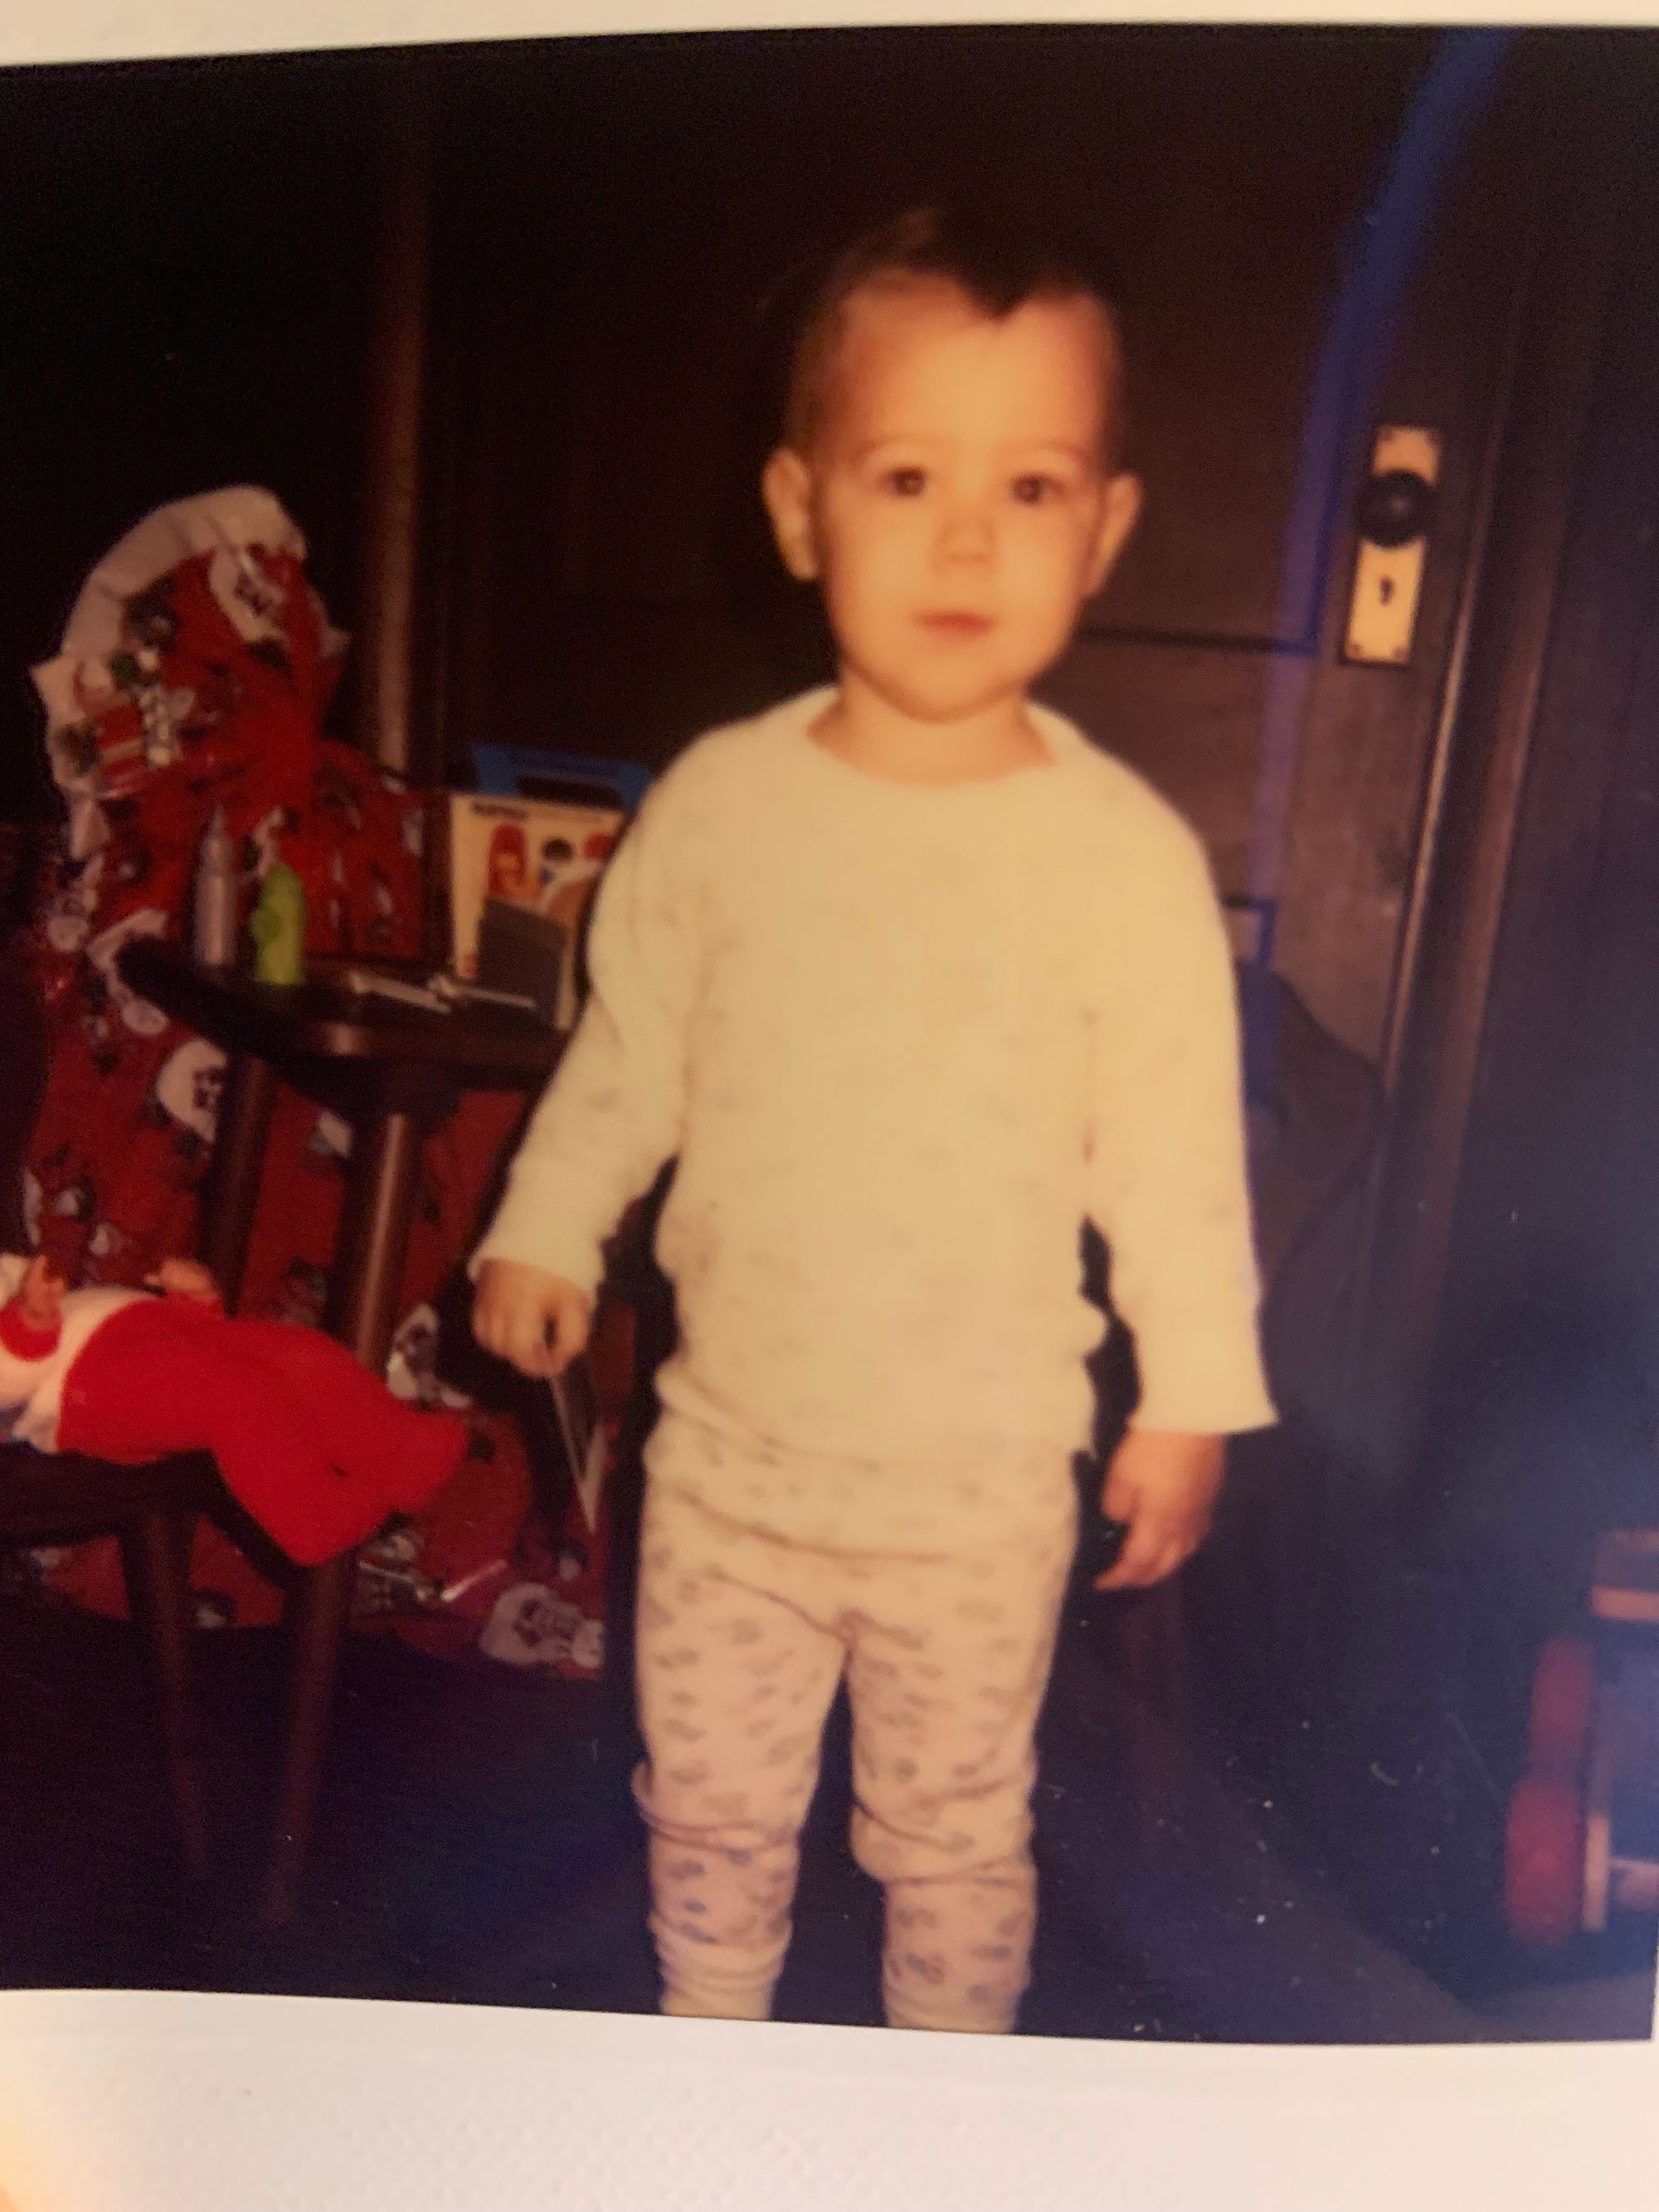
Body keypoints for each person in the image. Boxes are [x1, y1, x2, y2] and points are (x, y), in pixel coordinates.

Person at [470, 204, 1276, 2035]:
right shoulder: (726, 809)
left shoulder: (1120, 861)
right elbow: (633, 1044)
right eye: (907, 474)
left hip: (977, 1496)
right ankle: (714, 2077)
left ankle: (943, 2115)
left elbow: (1172, 1149)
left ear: (1110, 530)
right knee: (713, 1815)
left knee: (951, 1834)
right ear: (797, 508)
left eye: (1036, 485)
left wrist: (1192, 1395)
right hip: (735, 1471)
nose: (969, 537)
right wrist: (546, 1219)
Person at [0, 1251, 465, 1567]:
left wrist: (194, 1301)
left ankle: (398, 1449)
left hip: (147, 1331)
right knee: (234, 1398)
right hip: (82, 1390)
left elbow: (59, 1292)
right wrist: (28, 1327)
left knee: (298, 1356)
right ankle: (311, 1516)